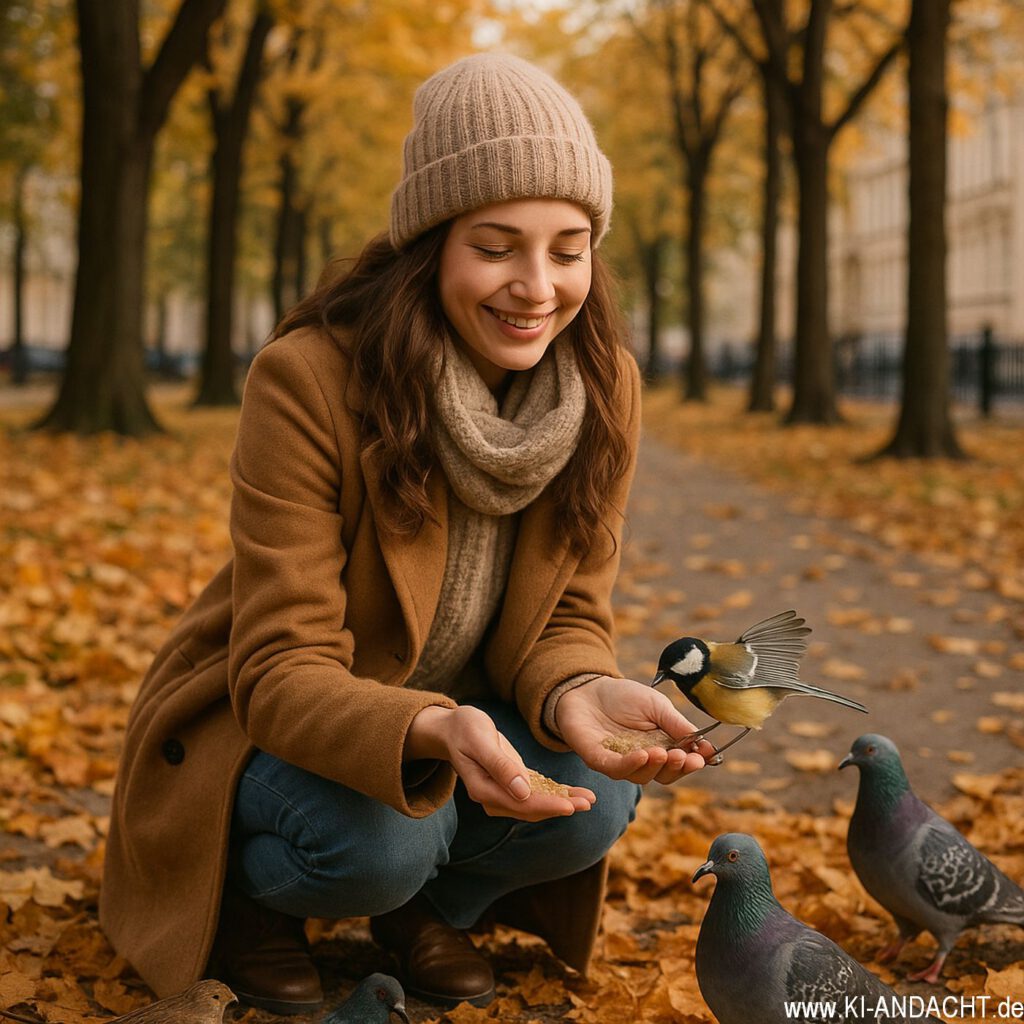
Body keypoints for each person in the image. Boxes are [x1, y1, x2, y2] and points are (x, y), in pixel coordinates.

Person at [100, 53, 714, 1016]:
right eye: (497, 245)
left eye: (567, 247)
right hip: (263, 722)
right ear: (430, 245)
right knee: (380, 840)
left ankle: (425, 909)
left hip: (462, 715)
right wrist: (431, 723)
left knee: (597, 801)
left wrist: (582, 690)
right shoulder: (309, 379)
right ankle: (250, 905)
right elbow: (281, 670)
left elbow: (569, 616)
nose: (537, 287)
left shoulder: (603, 388)